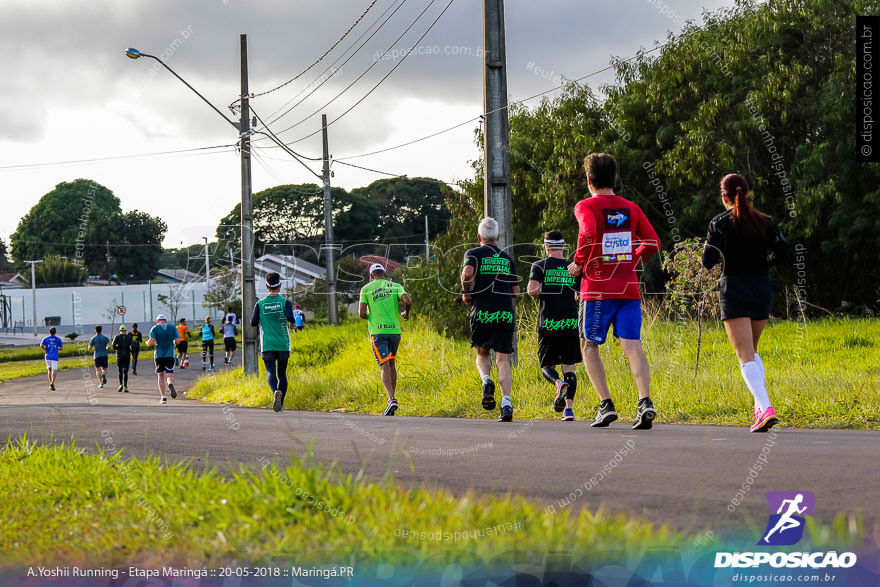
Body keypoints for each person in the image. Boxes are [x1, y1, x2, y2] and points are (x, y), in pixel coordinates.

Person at [567, 153, 660, 429]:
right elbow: (652, 242)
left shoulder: (585, 206)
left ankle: (605, 404)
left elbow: (589, 231)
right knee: (633, 346)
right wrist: (631, 259)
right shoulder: (630, 208)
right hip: (628, 288)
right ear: (614, 179)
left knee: (589, 345)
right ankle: (645, 401)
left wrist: (580, 262)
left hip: (596, 289)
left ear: (588, 180)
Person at [702, 173, 786, 433]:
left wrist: (726, 258)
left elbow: (707, 260)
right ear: (747, 194)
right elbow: (784, 252)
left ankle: (765, 406)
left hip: (734, 288)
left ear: (723, 196)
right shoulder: (766, 222)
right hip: (761, 288)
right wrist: (763, 264)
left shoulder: (720, 223)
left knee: (744, 355)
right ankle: (760, 409)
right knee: (752, 351)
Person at [461, 217, 520, 422]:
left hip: (482, 312)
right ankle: (506, 404)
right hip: (504, 313)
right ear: (498, 237)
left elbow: (467, 273)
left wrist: (467, 291)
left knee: (482, 352)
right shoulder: (507, 259)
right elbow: (517, 292)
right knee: (503, 359)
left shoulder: (473, 254)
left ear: (479, 237)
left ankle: (486, 380)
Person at [528, 231, 582, 421]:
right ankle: (569, 410)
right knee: (569, 367)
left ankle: (558, 383)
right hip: (570, 322)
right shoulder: (573, 267)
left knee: (546, 365)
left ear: (546, 246)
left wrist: (546, 288)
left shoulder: (539, 266)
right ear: (564, 246)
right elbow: (579, 294)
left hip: (548, 323)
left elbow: (532, 291)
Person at [359, 263, 413, 416]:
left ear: (372, 276)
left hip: (378, 332)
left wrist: (372, 315)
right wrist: (406, 314)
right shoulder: (395, 286)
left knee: (383, 365)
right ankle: (392, 399)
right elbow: (408, 301)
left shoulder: (366, 289)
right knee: (391, 364)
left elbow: (361, 313)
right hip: (394, 332)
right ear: (384, 274)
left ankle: (391, 399)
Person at [250, 272, 297, 412]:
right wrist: (292, 323)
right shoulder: (284, 302)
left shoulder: (260, 303)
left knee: (271, 372)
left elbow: (253, 322)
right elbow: (290, 316)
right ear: (280, 285)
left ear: (266, 285)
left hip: (267, 344)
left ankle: (275, 391)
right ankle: (280, 403)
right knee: (282, 374)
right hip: (283, 344)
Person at [147, 314, 181, 404]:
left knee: (160, 375)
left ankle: (163, 397)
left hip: (159, 355)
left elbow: (152, 341)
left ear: (157, 321)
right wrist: (173, 342)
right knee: (169, 374)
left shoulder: (155, 328)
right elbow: (178, 340)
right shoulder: (172, 327)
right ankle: (170, 384)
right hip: (170, 354)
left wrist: (147, 343)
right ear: (166, 320)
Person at [112, 325, 135, 393]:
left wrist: (118, 348)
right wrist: (130, 349)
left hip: (119, 356)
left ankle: (121, 385)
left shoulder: (117, 337)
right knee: (125, 372)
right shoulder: (129, 337)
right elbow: (133, 346)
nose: (123, 332)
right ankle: (125, 386)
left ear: (120, 331)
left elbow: (113, 346)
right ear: (126, 331)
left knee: (120, 371)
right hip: (127, 356)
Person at [40, 326, 63, 391]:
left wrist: (45, 348)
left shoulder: (46, 339)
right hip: (55, 356)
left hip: (47, 356)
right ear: (55, 332)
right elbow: (61, 348)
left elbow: (41, 345)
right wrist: (56, 348)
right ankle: (52, 382)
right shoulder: (58, 339)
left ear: (49, 332)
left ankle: (50, 382)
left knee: (49, 370)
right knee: (54, 370)